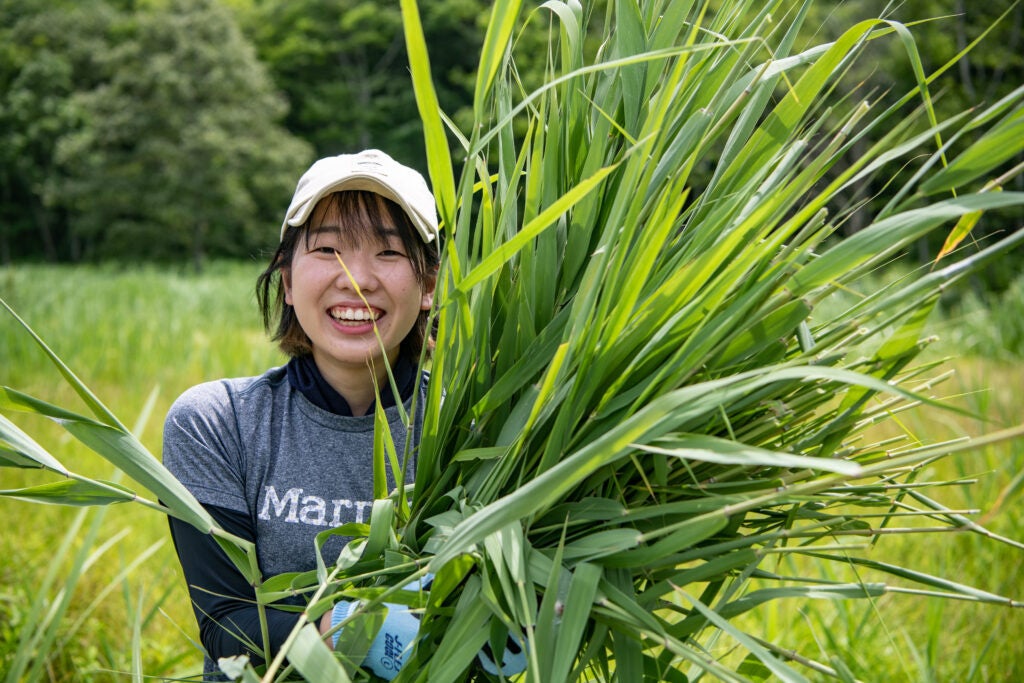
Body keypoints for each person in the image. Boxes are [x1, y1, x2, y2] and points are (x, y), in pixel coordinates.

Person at [163, 149, 440, 679]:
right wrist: (361, 624)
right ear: (288, 281)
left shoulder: (471, 429)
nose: (356, 278)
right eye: (330, 248)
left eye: (388, 252)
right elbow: (228, 625)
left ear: (427, 285)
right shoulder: (219, 424)